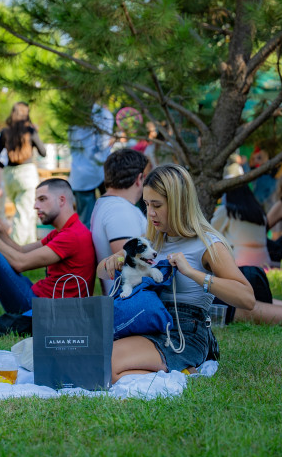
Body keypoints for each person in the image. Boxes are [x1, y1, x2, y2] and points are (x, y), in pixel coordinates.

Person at [97, 164, 256, 382]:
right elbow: (101, 272)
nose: (150, 213)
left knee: (106, 365)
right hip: (149, 323)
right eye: (146, 204)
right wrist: (113, 261)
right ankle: (180, 373)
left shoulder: (207, 244)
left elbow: (247, 298)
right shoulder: (151, 241)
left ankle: (182, 373)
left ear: (178, 203)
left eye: (157, 205)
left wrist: (192, 273)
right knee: (96, 359)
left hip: (185, 333)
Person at [0, 178, 95, 313]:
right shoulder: (66, 231)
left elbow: (21, 263)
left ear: (61, 200)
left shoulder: (72, 236)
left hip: (47, 311)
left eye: (42, 199)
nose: (35, 206)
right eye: (36, 200)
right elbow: (21, 251)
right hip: (41, 299)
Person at [90, 149, 150, 295]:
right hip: (132, 300)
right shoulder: (119, 211)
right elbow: (131, 264)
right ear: (139, 178)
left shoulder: (108, 204)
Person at [0, 102, 47, 245]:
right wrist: (35, 134)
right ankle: (16, 248)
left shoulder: (5, 132)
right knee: (23, 214)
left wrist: (6, 168)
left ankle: (30, 247)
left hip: (10, 176)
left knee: (28, 213)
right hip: (27, 174)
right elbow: (43, 152)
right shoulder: (30, 131)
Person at [68, 104, 114, 227]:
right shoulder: (102, 114)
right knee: (110, 215)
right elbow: (103, 143)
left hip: (80, 174)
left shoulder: (72, 114)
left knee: (85, 221)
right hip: (102, 170)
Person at [211, 185, 271, 269]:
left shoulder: (226, 211)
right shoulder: (260, 214)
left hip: (237, 262)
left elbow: (210, 234)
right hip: (264, 262)